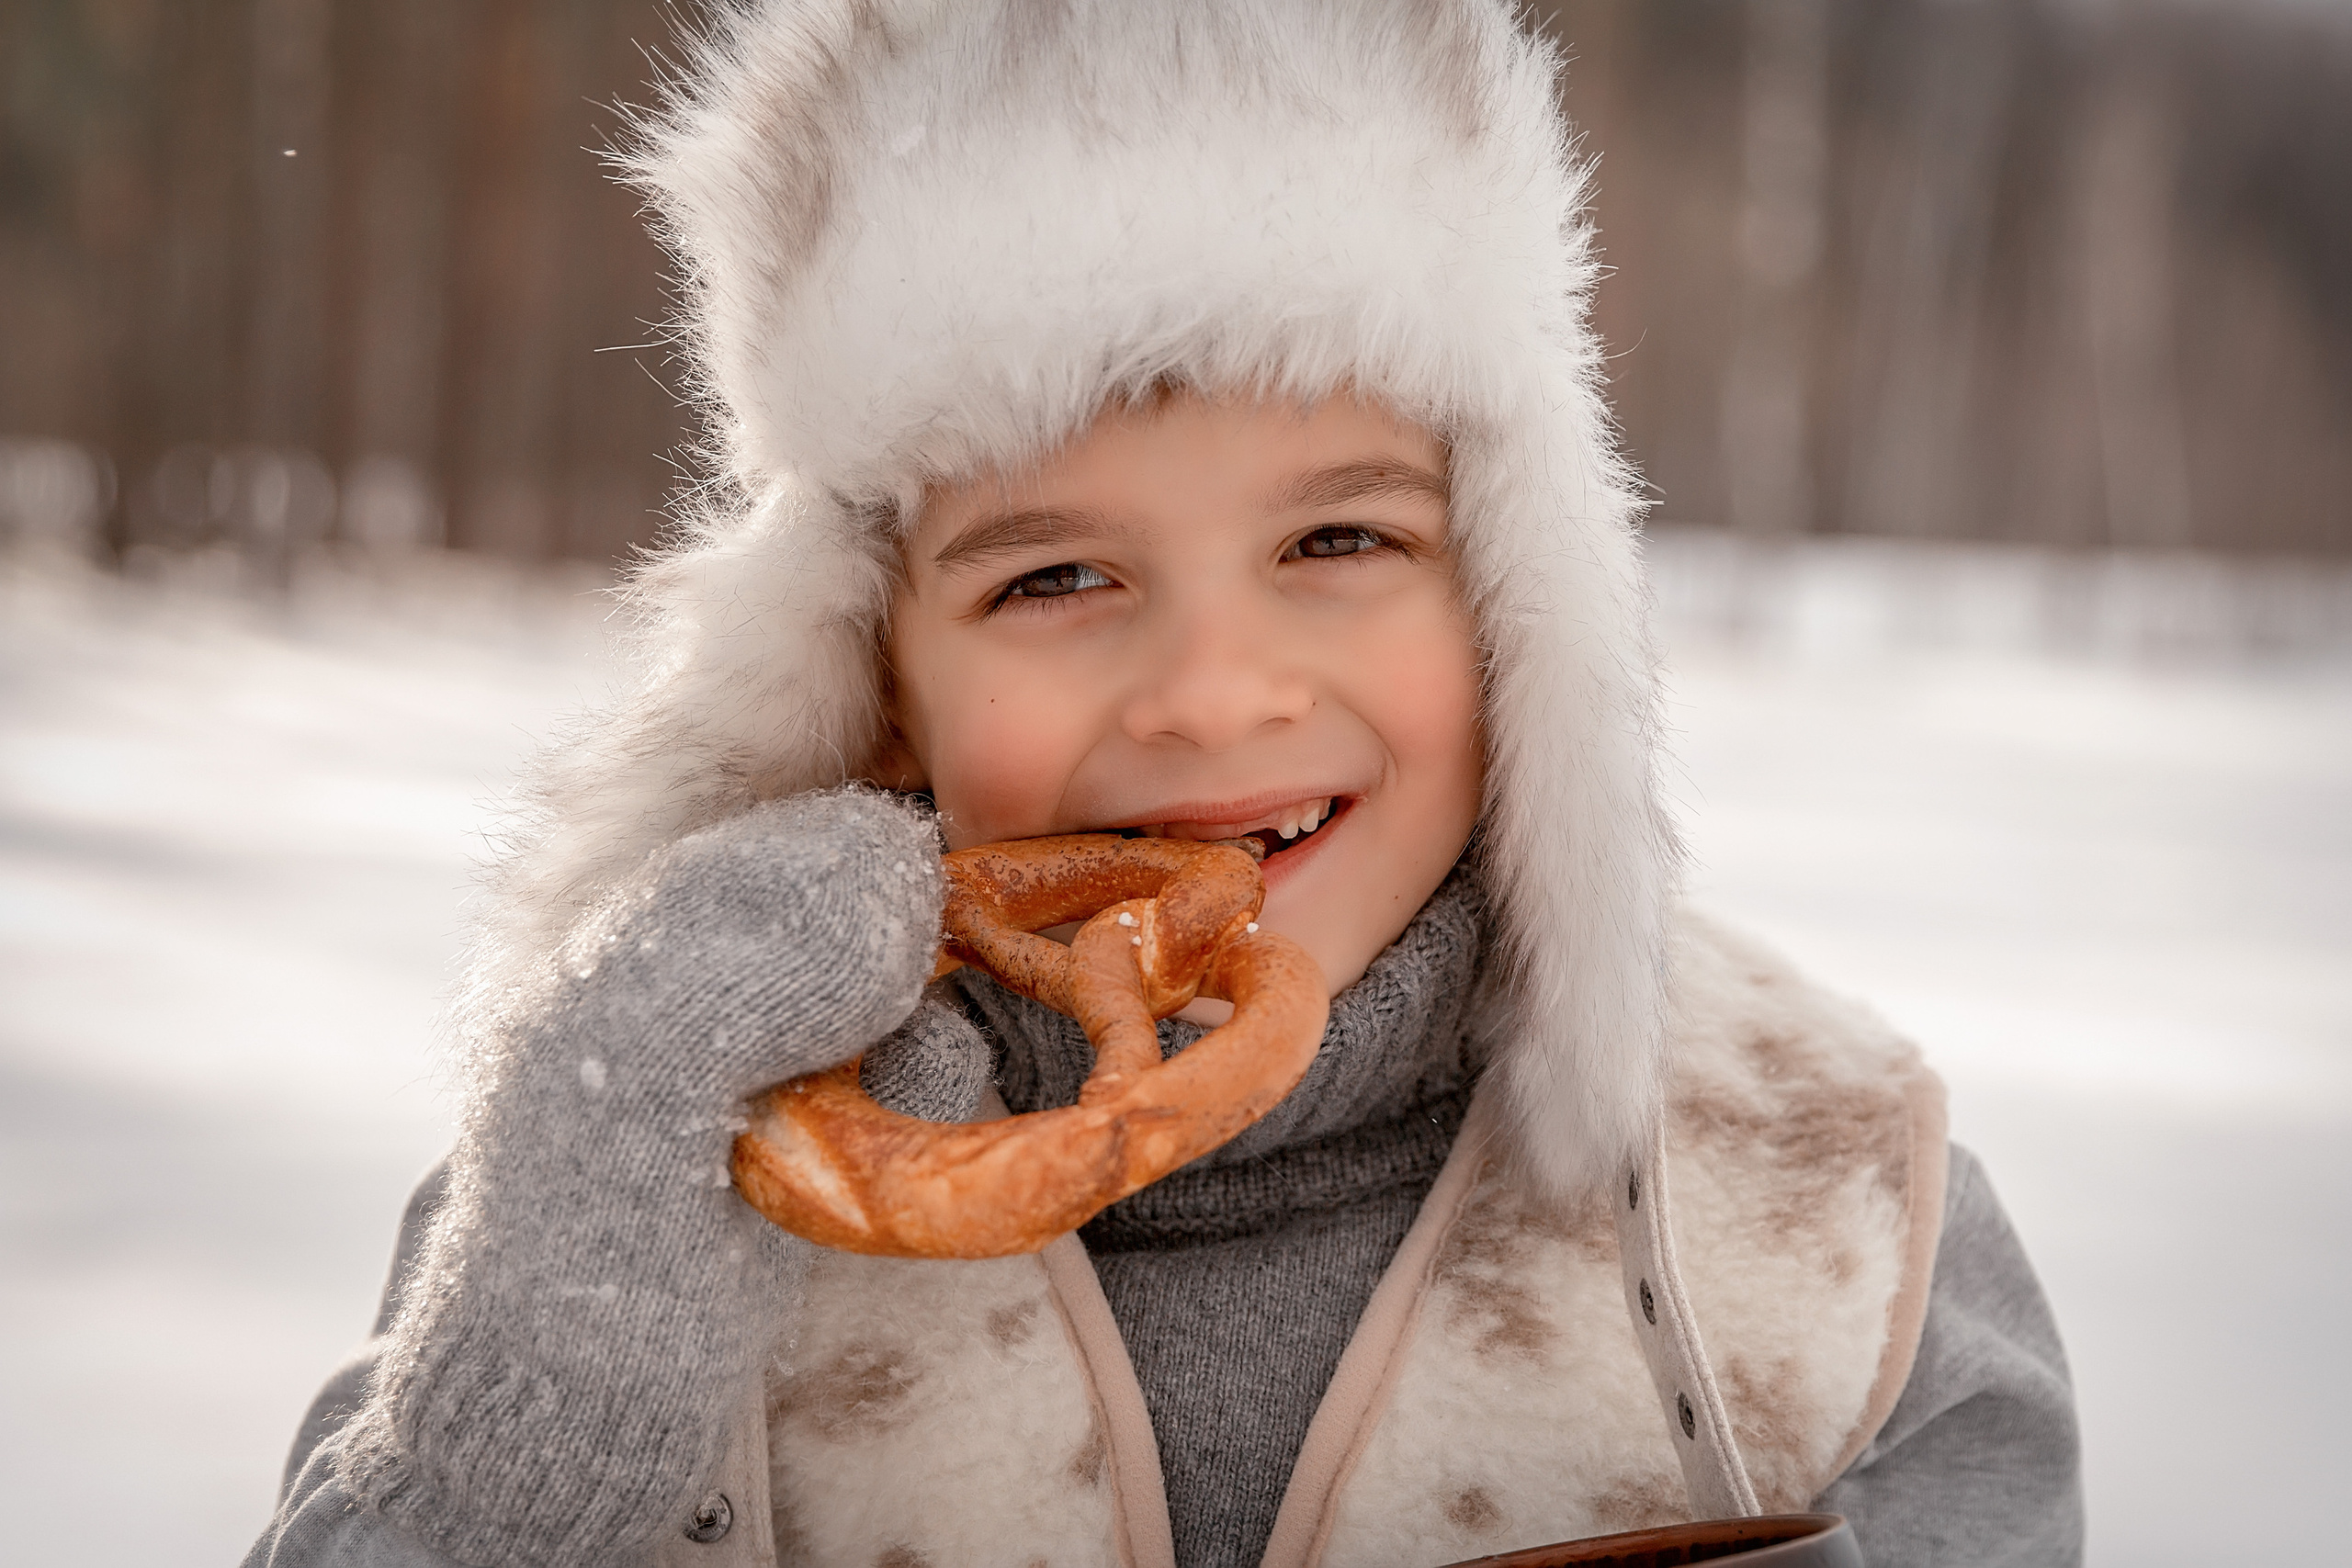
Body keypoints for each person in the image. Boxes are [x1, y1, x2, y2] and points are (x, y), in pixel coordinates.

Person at [243, 4, 2081, 1565]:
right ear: (876, 681)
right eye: (1053, 576)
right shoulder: (636, 1167)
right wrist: (529, 1424)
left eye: (1340, 539)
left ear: (1516, 605)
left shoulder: (1835, 1219)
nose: (1209, 696)